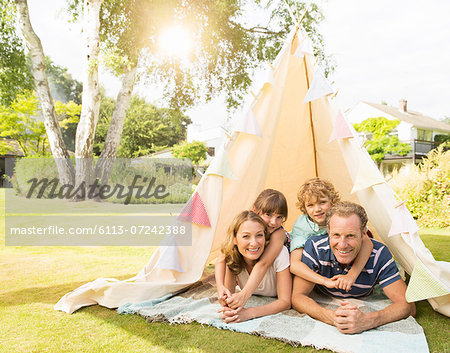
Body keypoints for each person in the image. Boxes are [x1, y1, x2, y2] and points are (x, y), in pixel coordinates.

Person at [291, 201, 415, 334]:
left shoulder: (379, 254)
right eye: (336, 235)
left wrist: (367, 320)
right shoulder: (315, 248)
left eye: (350, 236)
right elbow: (297, 297)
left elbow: (408, 306)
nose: (343, 245)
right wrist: (332, 317)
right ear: (328, 232)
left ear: (363, 234)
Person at [290, 178, 373, 292]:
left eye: (322, 202)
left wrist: (351, 276)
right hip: (318, 270)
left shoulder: (340, 217)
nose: (317, 209)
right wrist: (324, 281)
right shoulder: (302, 227)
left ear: (332, 201)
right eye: (310, 205)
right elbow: (295, 264)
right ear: (304, 208)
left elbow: (367, 242)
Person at [215, 189, 289, 309]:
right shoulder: (245, 224)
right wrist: (220, 287)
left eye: (279, 217)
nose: (273, 222)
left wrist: (244, 295)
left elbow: (263, 263)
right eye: (268, 215)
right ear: (255, 211)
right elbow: (222, 256)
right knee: (232, 254)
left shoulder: (278, 233)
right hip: (256, 267)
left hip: (278, 272)